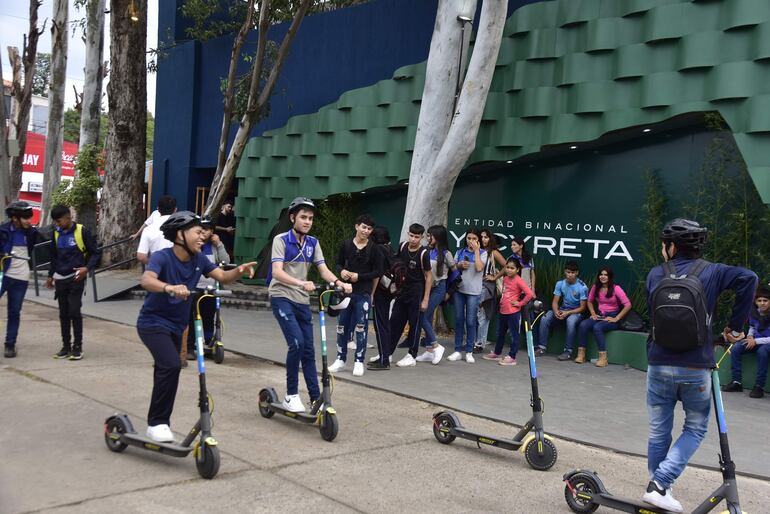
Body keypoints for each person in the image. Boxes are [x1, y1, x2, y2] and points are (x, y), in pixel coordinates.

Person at [642, 218, 756, 512]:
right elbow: (750, 279)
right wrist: (733, 326)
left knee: (658, 432)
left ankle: (658, 489)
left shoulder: (656, 274)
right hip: (696, 366)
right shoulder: (714, 272)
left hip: (658, 364)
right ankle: (660, 485)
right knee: (694, 428)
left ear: (671, 246)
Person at [136, 211, 255, 442]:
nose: (203, 236)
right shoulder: (163, 256)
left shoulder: (199, 259)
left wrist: (238, 270)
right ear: (180, 234)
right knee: (171, 366)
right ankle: (157, 423)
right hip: (152, 323)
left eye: (204, 232)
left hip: (176, 326)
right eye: (198, 232)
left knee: (166, 371)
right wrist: (169, 287)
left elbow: (221, 275)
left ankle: (158, 423)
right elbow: (147, 280)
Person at [268, 197, 351, 412]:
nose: (307, 222)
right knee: (296, 343)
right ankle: (291, 395)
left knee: (308, 349)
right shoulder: (281, 240)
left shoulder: (313, 243)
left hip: (301, 301)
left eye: (310, 218)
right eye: (303, 217)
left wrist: (339, 283)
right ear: (293, 217)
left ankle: (316, 398)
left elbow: (323, 270)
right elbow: (277, 272)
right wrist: (301, 282)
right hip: (281, 296)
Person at [368, 223, 431, 370]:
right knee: (394, 322)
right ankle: (387, 353)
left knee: (415, 323)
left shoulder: (424, 253)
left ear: (422, 237)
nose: (413, 239)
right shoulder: (402, 246)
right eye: (411, 235)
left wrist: (426, 298)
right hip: (402, 291)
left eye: (417, 237)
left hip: (417, 292)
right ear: (408, 234)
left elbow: (429, 276)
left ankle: (412, 355)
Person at [328, 214, 384, 377]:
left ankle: (359, 361)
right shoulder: (345, 244)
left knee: (361, 327)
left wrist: (359, 277)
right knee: (341, 327)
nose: (366, 231)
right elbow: (337, 264)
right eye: (364, 227)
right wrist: (342, 271)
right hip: (345, 292)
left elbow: (378, 272)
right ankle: (340, 359)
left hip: (363, 293)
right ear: (356, 226)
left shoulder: (375, 249)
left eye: (369, 228)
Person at [47, 205, 102, 361]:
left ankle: (77, 347)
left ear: (68, 217)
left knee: (74, 311)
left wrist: (86, 268)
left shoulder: (81, 231)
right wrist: (51, 276)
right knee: (63, 313)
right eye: (55, 222)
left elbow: (95, 253)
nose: (58, 224)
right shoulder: (56, 233)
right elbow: (53, 256)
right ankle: (66, 347)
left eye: (59, 221)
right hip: (60, 278)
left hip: (76, 278)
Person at [185, 217, 230, 360]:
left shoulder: (214, 246)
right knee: (192, 318)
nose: (204, 232)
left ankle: (210, 343)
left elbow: (226, 261)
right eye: (201, 229)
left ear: (212, 232)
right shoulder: (193, 245)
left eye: (208, 229)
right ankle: (190, 347)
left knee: (209, 317)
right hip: (194, 288)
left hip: (210, 289)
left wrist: (219, 244)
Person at [0, 201, 39, 358]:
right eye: (25, 218)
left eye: (30, 218)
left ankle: (10, 345)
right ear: (15, 218)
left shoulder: (31, 232)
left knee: (14, 312)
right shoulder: (2, 230)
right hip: (3, 275)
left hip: (21, 277)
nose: (29, 221)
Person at [575, 267, 632, 367]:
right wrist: (593, 313)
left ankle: (603, 358)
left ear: (610, 277)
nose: (603, 277)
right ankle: (581, 355)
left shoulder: (616, 288)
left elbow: (628, 305)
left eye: (606, 275)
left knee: (598, 327)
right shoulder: (595, 287)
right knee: (583, 325)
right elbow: (589, 301)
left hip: (613, 317)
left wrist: (616, 318)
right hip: (600, 315)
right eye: (601, 274)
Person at [415, 225, 455, 365]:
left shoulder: (446, 253)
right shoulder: (425, 250)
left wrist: (449, 292)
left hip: (439, 288)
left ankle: (436, 346)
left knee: (422, 315)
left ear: (437, 237)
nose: (427, 238)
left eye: (430, 235)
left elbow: (455, 273)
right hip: (426, 287)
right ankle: (429, 351)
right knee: (427, 317)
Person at [483, 257, 533, 365]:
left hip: (513, 313)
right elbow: (505, 292)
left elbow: (530, 294)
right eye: (507, 267)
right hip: (503, 311)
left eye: (512, 268)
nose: (509, 270)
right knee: (500, 333)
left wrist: (519, 303)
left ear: (517, 270)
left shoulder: (519, 281)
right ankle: (497, 353)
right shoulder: (505, 279)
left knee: (514, 335)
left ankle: (512, 357)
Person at [722, 285, 770, 398]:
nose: (762, 303)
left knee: (762, 352)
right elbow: (752, 327)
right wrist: (749, 336)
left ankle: (759, 386)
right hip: (755, 340)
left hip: (766, 343)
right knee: (736, 348)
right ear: (756, 302)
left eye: (765, 300)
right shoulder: (754, 313)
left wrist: (756, 341)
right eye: (759, 300)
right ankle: (736, 382)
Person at [447, 228, 487, 363]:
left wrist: (476, 250)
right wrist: (459, 265)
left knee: (470, 321)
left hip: (474, 292)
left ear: (479, 240)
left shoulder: (483, 253)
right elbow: (453, 268)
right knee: (459, 320)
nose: (471, 241)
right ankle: (457, 350)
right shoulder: (460, 252)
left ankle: (469, 351)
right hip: (459, 290)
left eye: (474, 239)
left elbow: (479, 268)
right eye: (469, 238)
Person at [538, 261, 588, 361]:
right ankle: (541, 348)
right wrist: (556, 311)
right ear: (565, 272)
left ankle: (568, 351)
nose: (570, 275)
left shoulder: (582, 287)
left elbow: (583, 307)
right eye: (568, 272)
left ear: (577, 273)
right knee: (545, 317)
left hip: (576, 312)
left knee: (571, 321)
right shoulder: (560, 284)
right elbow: (555, 301)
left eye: (573, 273)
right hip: (563, 309)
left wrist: (568, 313)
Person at [475, 229, 507, 353]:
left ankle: (480, 343)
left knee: (482, 315)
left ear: (490, 239)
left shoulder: (493, 252)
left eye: (486, 237)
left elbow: (507, 266)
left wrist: (495, 277)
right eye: (481, 237)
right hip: (474, 285)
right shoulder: (477, 251)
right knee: (473, 314)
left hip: (486, 285)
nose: (483, 239)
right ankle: (474, 342)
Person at [368, 225, 395, 367]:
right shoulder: (389, 248)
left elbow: (378, 274)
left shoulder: (378, 249)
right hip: (389, 291)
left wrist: (371, 294)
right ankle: (384, 357)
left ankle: (384, 360)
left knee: (380, 325)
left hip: (381, 292)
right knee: (384, 324)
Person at [137, 195, 176, 265]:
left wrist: (153, 265)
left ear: (158, 209)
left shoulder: (148, 229)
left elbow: (141, 256)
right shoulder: (182, 227)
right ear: (175, 209)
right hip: (177, 269)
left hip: (156, 270)